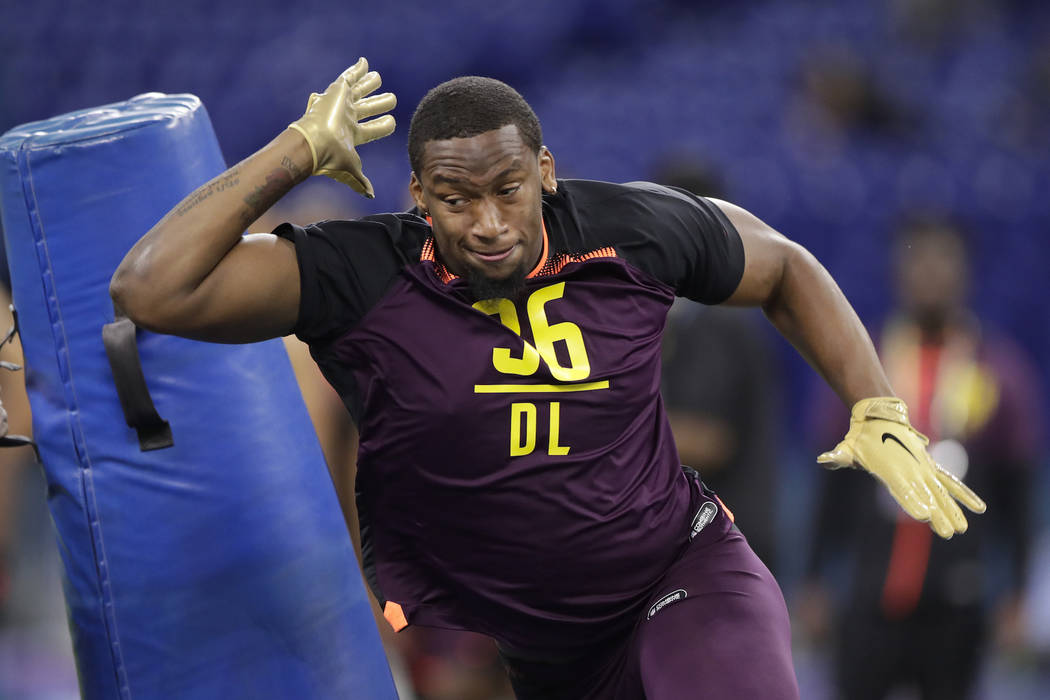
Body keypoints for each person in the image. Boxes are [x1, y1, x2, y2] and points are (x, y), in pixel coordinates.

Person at [109, 59, 986, 699]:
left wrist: (873, 400)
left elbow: (785, 266)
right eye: (456, 199)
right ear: (418, 195)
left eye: (510, 190)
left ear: (546, 172)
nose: (489, 223)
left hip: (679, 575)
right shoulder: (362, 272)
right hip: (530, 646)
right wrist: (295, 151)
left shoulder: (627, 230)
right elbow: (150, 287)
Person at [798, 216, 1043, 700]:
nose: (931, 271)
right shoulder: (863, 363)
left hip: (957, 596)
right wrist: (814, 580)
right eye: (919, 259)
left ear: (965, 272)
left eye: (944, 259)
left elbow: (1017, 492)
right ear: (899, 271)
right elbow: (832, 482)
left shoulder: (1001, 371)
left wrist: (1017, 594)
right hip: (871, 591)